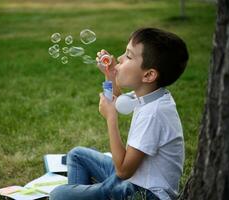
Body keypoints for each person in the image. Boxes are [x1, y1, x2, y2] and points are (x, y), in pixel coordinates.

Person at [50, 27, 189, 200]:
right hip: (135, 179)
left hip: (144, 193)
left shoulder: (153, 114)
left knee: (58, 195)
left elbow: (123, 170)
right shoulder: (153, 95)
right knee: (77, 155)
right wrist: (110, 75)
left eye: (129, 56)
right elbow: (119, 101)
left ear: (149, 75)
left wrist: (111, 118)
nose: (120, 59)